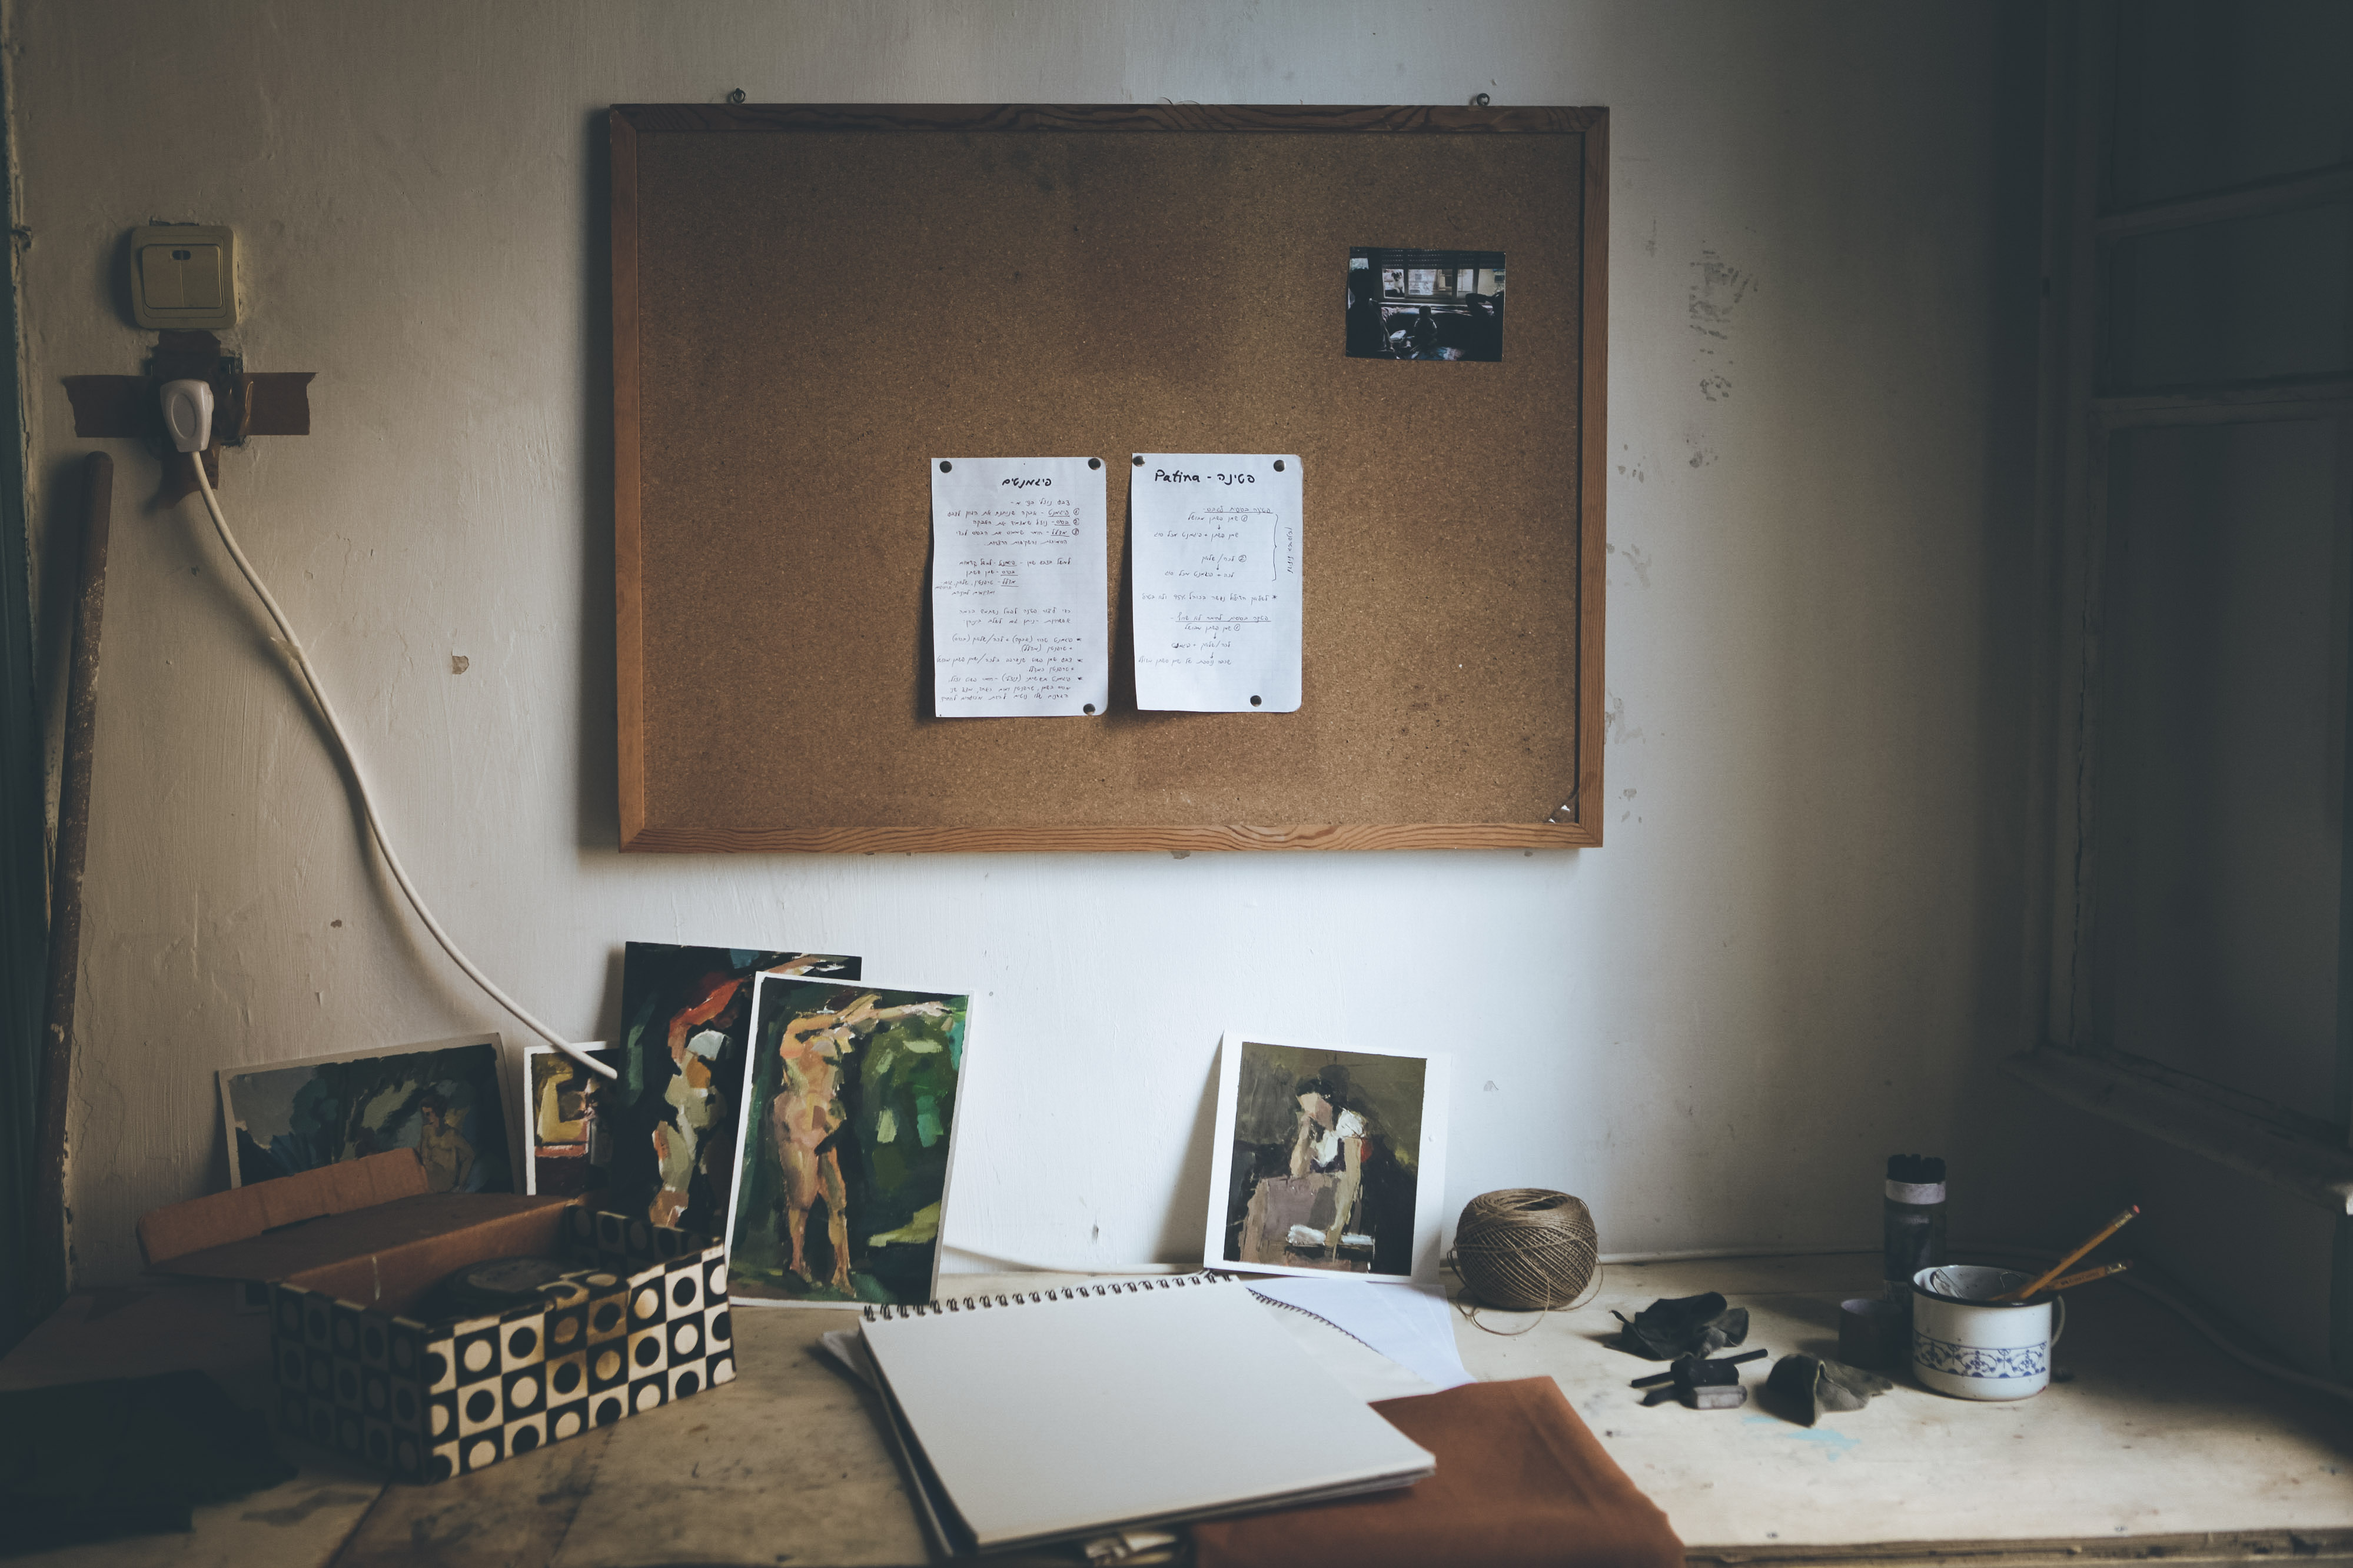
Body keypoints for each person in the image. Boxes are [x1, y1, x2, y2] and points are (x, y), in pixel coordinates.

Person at [770, 993, 950, 1293]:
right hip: (799, 1122)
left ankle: (842, 1272)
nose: (869, 1011)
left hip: (824, 1121)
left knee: (838, 1201)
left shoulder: (838, 1032)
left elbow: (876, 1017)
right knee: (802, 1201)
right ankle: (797, 1262)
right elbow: (838, 1020)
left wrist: (917, 1008)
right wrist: (849, 1014)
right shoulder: (799, 1032)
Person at [416, 1092, 476, 1192]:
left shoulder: (452, 1135)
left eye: (430, 1114)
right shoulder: (427, 1131)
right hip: (428, 1173)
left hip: (445, 1180)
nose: (428, 1120)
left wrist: (461, 1183)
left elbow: (470, 1156)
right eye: (426, 1115)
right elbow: (417, 1154)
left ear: (438, 1113)